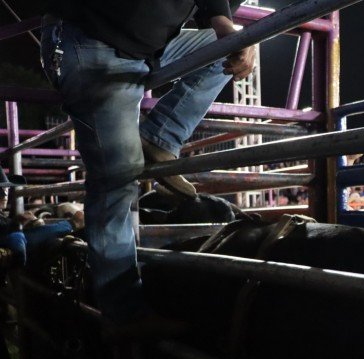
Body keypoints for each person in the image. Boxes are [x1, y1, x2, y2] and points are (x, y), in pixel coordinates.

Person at [39, 1, 256, 332]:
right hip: (92, 39)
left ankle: (161, 137)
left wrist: (225, 24)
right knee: (117, 176)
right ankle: (122, 311)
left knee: (233, 41)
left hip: (147, 45)